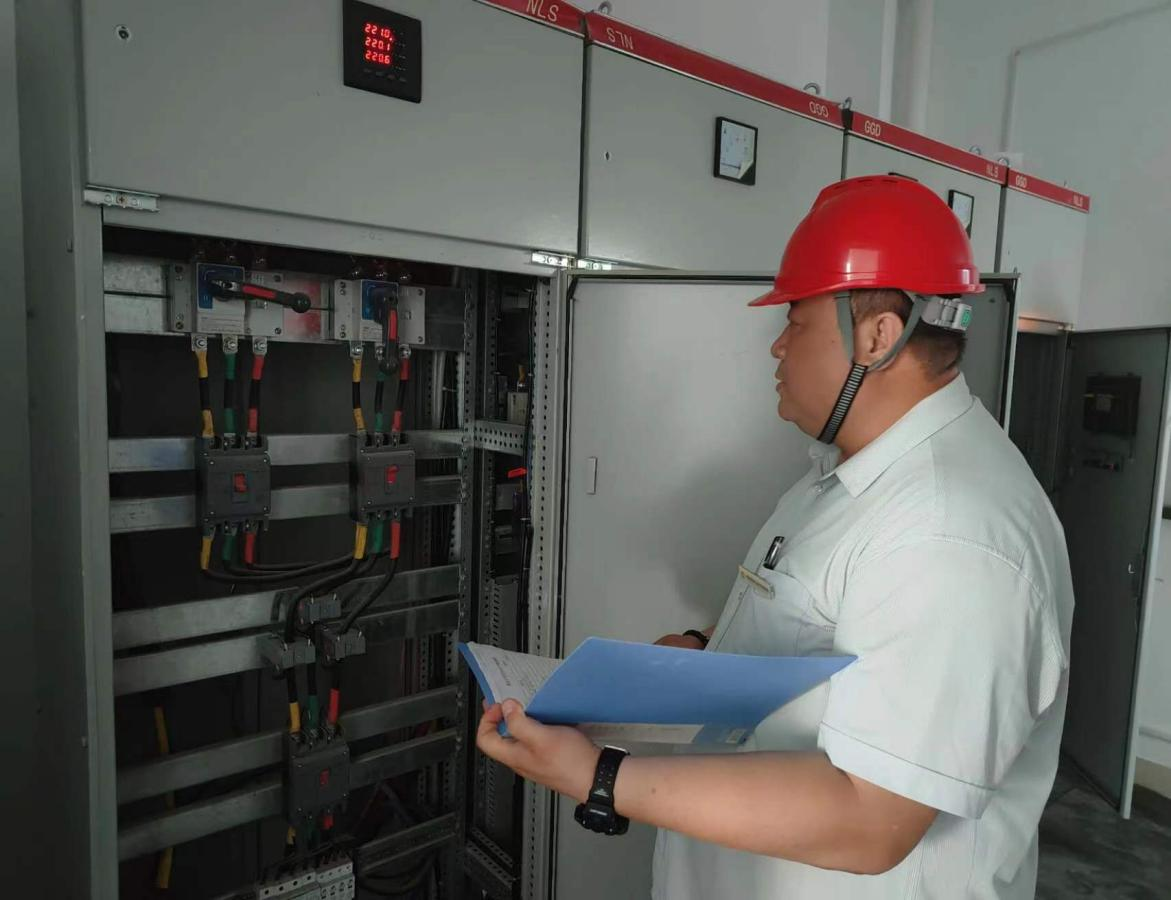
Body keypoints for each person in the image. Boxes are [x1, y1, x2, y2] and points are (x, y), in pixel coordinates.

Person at [475, 175, 1074, 898]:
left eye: (796, 321)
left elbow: (872, 820)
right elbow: (828, 643)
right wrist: (701, 654)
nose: (777, 347)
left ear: (877, 336)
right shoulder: (847, 476)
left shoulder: (953, 533)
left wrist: (597, 777)